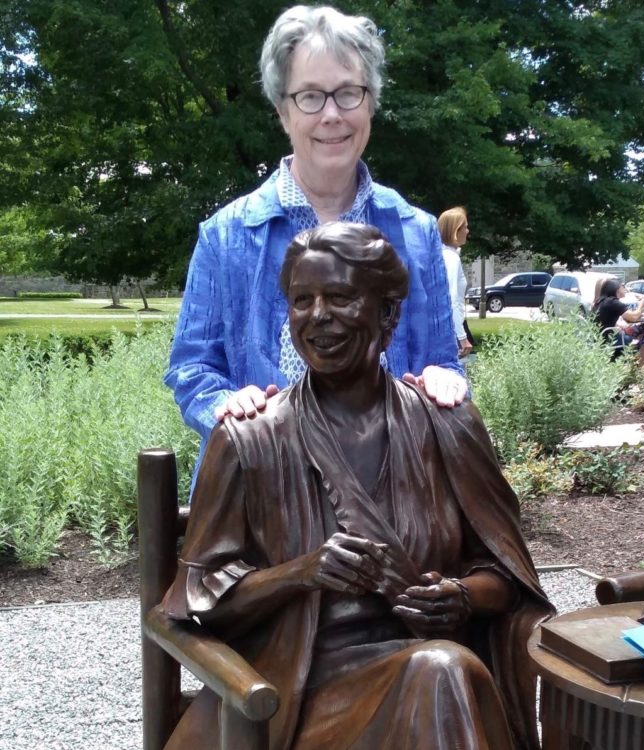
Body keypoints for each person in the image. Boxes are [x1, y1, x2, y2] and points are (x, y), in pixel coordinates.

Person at [160, 223, 554, 750]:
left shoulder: (447, 426)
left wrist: (460, 597)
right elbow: (196, 600)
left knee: (440, 670)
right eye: (303, 300)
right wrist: (302, 573)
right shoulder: (251, 437)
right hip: (296, 691)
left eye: (341, 297)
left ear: (388, 314)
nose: (318, 315)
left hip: (433, 670)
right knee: (441, 672)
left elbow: (506, 577)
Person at [164, 5, 466, 479]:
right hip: (263, 496)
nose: (332, 115)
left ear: (370, 103)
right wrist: (224, 404)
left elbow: (442, 360)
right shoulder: (226, 235)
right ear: (283, 111)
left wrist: (444, 380)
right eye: (310, 96)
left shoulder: (415, 230)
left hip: (393, 490)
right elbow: (191, 369)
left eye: (348, 93)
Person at [438, 207, 473, 358]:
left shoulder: (444, 255)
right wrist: (462, 337)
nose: (467, 231)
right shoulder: (451, 258)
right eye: (464, 227)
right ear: (455, 230)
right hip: (449, 333)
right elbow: (451, 300)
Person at [593, 279, 644, 362]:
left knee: (643, 327)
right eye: (622, 286)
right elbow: (633, 317)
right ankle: (642, 368)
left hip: (601, 338)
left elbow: (628, 318)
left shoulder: (601, 301)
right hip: (611, 340)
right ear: (617, 289)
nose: (625, 289)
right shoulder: (612, 302)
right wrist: (641, 305)